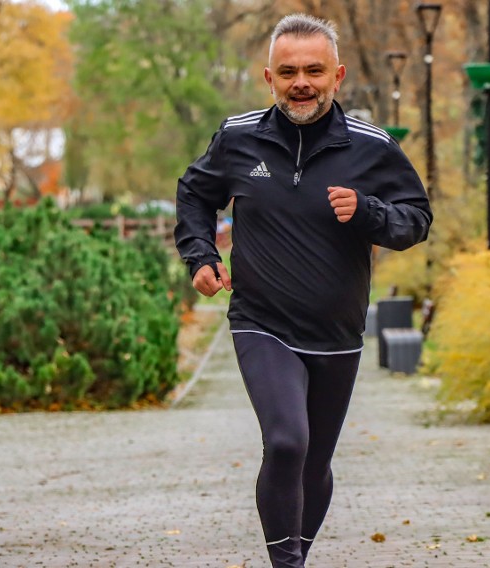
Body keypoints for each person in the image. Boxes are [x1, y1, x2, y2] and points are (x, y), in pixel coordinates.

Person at [174, 13, 432, 568]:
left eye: (314, 70)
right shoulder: (238, 137)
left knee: (314, 464)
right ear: (268, 77)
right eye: (287, 71)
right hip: (260, 322)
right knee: (288, 441)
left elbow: (416, 219)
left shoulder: (372, 147)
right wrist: (200, 255)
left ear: (337, 75)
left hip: (337, 333)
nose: (301, 83)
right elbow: (195, 193)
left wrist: (368, 212)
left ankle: (297, 555)